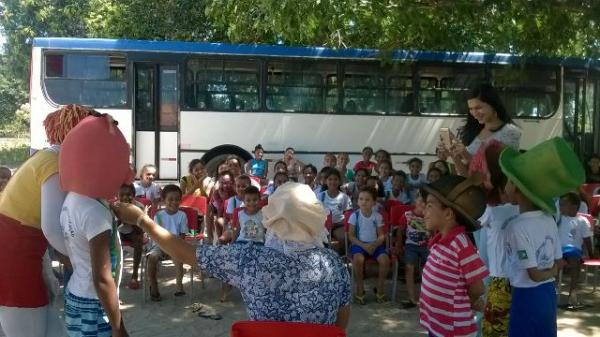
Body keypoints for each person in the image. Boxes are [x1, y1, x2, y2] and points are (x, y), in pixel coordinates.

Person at [111, 182, 352, 329]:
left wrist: (142, 220)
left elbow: (186, 253)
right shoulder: (336, 266)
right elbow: (338, 329)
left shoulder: (250, 260)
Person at [0, 104, 94, 337]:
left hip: (20, 250)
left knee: (48, 326)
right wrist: (83, 262)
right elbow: (51, 228)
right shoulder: (55, 164)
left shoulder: (47, 158)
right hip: (16, 254)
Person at [499, 137, 584, 337]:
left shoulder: (516, 226)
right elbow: (557, 262)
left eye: (510, 181)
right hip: (548, 293)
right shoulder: (549, 219)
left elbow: (534, 274)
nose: (507, 185)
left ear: (518, 188)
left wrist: (547, 272)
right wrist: (552, 271)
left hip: (525, 294)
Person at [59, 113, 132, 337]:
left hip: (75, 296)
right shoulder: (94, 213)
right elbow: (102, 279)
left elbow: (67, 249)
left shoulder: (72, 199)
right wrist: (118, 327)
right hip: (94, 304)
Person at [419, 175, 488, 337]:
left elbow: (478, 287)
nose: (424, 212)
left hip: (454, 328)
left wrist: (466, 303)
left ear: (448, 214)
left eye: (429, 206)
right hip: (437, 324)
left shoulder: (461, 244)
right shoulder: (440, 242)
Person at [477, 142, 519, 337]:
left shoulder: (492, 211)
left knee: (495, 325)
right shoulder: (525, 209)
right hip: (520, 277)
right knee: (511, 321)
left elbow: (474, 221)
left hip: (500, 277)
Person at [440, 83, 521, 177]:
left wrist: (465, 154)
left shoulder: (510, 132)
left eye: (478, 108)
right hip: (472, 190)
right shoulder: (474, 130)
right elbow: (467, 176)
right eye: (471, 109)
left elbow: (497, 175)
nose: (474, 113)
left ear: (493, 104)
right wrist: (452, 154)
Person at [349, 187, 389, 304]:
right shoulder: (354, 216)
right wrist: (364, 246)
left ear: (374, 202)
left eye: (367, 199)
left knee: (385, 260)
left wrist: (374, 245)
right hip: (359, 244)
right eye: (361, 199)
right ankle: (360, 289)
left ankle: (380, 289)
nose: (364, 202)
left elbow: (382, 235)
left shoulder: (377, 216)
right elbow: (351, 236)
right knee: (358, 259)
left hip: (375, 244)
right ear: (357, 201)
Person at [148, 185, 188, 301]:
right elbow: (157, 235)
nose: (174, 202)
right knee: (152, 257)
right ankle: (154, 286)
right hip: (160, 245)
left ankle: (179, 285)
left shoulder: (182, 216)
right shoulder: (158, 216)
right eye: (170, 199)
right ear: (164, 200)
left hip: (175, 245)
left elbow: (182, 235)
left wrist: (175, 247)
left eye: (177, 199)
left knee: (178, 259)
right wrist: (165, 246)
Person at [557, 192, 594, 309]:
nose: (560, 207)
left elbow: (587, 239)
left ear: (573, 207)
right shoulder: (559, 219)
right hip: (558, 250)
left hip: (573, 250)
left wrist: (591, 253)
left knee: (575, 262)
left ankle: (572, 293)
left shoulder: (582, 220)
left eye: (563, 205)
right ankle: (552, 291)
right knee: (553, 264)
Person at [393, 193, 429, 309]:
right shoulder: (407, 215)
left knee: (428, 270)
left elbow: (434, 232)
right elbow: (400, 231)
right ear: (415, 201)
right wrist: (398, 245)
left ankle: (427, 298)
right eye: (420, 200)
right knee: (409, 268)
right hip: (410, 246)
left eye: (425, 201)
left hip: (427, 246)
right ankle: (412, 298)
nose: (422, 203)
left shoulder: (430, 215)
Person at [116, 184, 145, 290]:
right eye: (122, 195)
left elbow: (140, 230)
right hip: (120, 231)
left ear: (134, 195)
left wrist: (131, 218)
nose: (125, 198)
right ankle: (112, 272)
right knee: (108, 240)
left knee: (138, 242)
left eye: (128, 195)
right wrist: (120, 218)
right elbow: (113, 227)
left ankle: (135, 274)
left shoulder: (139, 207)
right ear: (118, 195)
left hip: (133, 232)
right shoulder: (115, 206)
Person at [319, 168, 352, 251]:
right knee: (324, 242)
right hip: (323, 227)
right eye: (330, 179)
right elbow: (315, 213)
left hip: (339, 225)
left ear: (340, 181)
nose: (333, 182)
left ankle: (342, 258)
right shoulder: (320, 196)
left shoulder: (344, 197)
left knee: (344, 238)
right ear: (326, 181)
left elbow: (348, 214)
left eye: (335, 179)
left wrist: (337, 223)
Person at [206, 171, 235, 244]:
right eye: (222, 183)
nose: (224, 185)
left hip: (234, 219)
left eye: (227, 182)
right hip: (224, 217)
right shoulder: (217, 193)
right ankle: (211, 239)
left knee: (220, 221)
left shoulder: (235, 192)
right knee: (210, 209)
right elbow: (220, 212)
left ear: (232, 182)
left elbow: (233, 212)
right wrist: (223, 199)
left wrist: (225, 199)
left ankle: (221, 241)